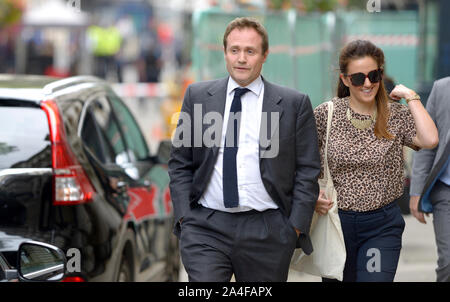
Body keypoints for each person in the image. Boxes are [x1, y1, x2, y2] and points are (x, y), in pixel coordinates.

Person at [168, 17, 321, 282]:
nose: (241, 58)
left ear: (264, 55)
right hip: (206, 227)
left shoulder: (293, 104)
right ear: (225, 53)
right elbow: (180, 162)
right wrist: (185, 218)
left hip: (268, 231)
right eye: (234, 50)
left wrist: (294, 227)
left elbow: (307, 170)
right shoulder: (198, 97)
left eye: (250, 51)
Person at [314, 39, 438, 282]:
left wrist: (411, 97)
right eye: (359, 78)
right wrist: (311, 196)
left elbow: (430, 139)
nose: (368, 83)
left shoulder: (396, 114)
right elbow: (301, 161)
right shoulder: (325, 114)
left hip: (381, 226)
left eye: (374, 75)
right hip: (336, 225)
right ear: (345, 80)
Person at [409, 77, 450, 282]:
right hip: (445, 191)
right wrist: (416, 190)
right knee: (448, 262)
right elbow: (426, 146)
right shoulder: (442, 89)